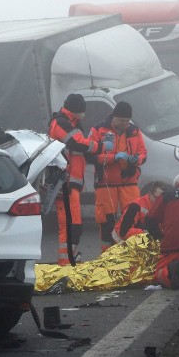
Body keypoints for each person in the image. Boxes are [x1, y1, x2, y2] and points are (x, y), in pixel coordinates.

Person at [48, 93, 110, 265]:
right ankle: (66, 262)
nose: (84, 115)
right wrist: (102, 147)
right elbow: (79, 144)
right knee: (71, 225)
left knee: (73, 225)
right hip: (65, 182)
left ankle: (68, 260)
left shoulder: (69, 123)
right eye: (83, 112)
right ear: (76, 111)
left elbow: (79, 149)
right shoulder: (61, 124)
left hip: (71, 182)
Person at [89, 101, 148, 253]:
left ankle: (131, 254)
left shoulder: (134, 131)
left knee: (133, 220)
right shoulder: (98, 130)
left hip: (129, 182)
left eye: (128, 121)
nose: (125, 124)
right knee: (106, 222)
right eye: (122, 120)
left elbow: (143, 153)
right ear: (114, 117)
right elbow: (90, 157)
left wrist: (137, 159)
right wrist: (113, 158)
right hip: (106, 184)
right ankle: (107, 255)